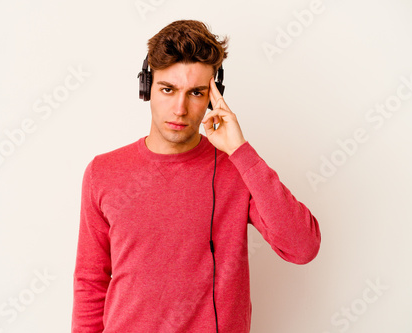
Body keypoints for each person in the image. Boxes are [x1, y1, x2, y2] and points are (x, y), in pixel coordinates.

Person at [71, 19, 321, 333]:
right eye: (168, 89)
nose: (180, 108)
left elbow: (302, 247)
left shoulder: (236, 168)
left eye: (196, 93)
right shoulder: (103, 172)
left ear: (214, 97)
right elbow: (90, 283)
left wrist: (240, 150)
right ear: (147, 87)